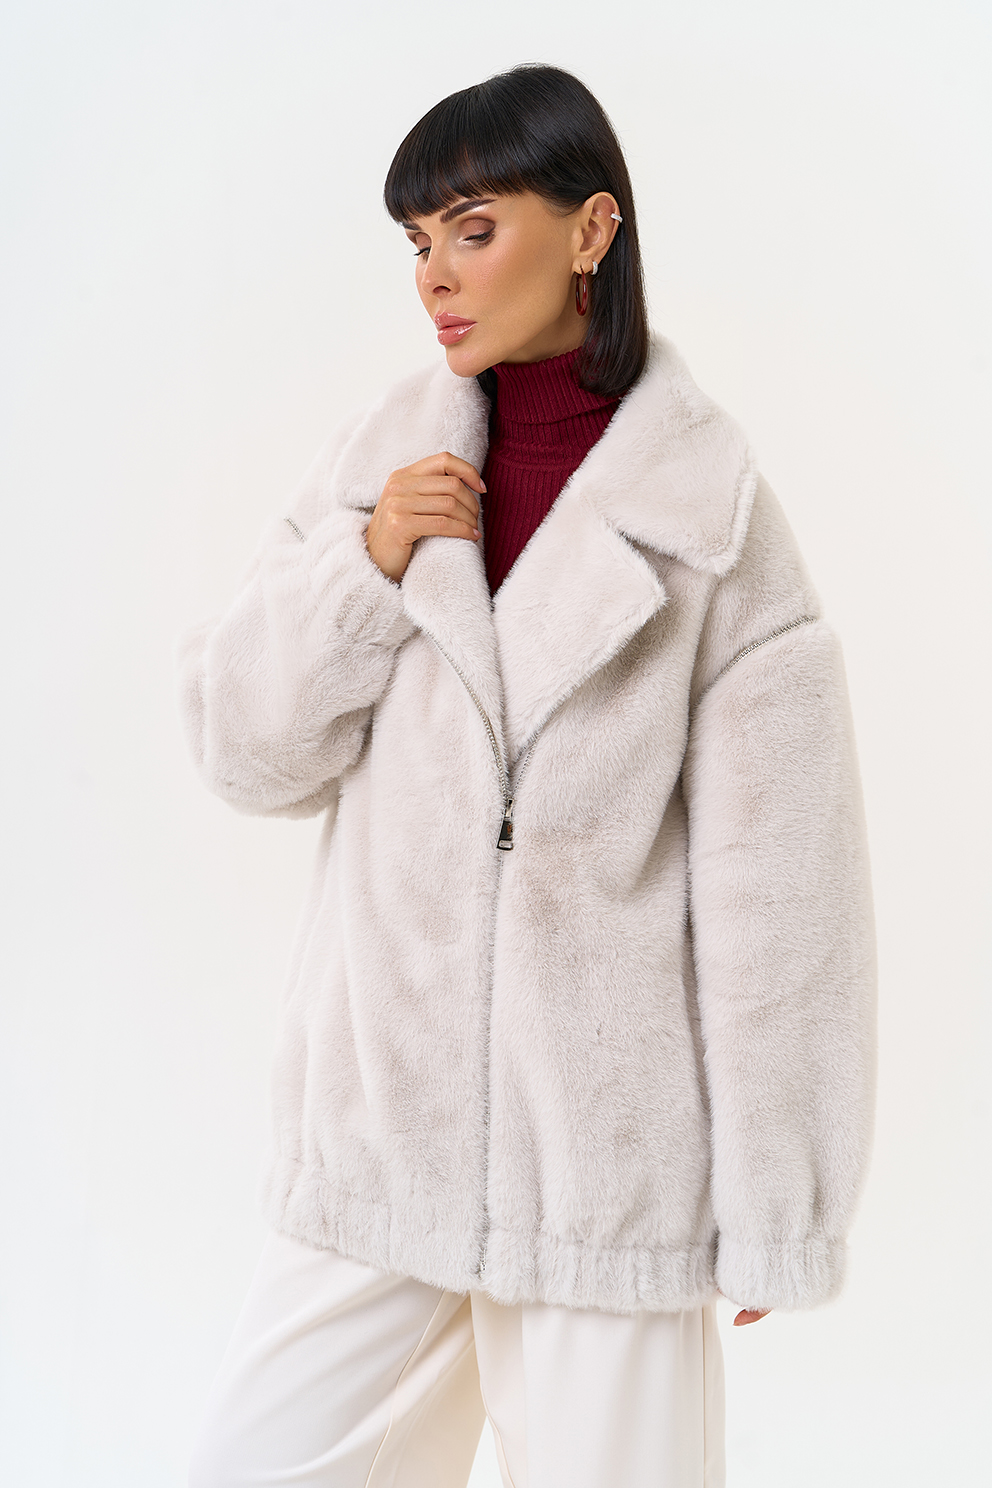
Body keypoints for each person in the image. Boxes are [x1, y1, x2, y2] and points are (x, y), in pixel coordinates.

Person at [180, 63, 876, 1488]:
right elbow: (243, 753)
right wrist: (365, 567)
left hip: (603, 1187)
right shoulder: (380, 466)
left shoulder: (713, 518)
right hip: (378, 1157)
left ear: (591, 229)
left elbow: (783, 891)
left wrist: (777, 1201)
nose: (434, 276)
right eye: (417, 240)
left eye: (474, 229)